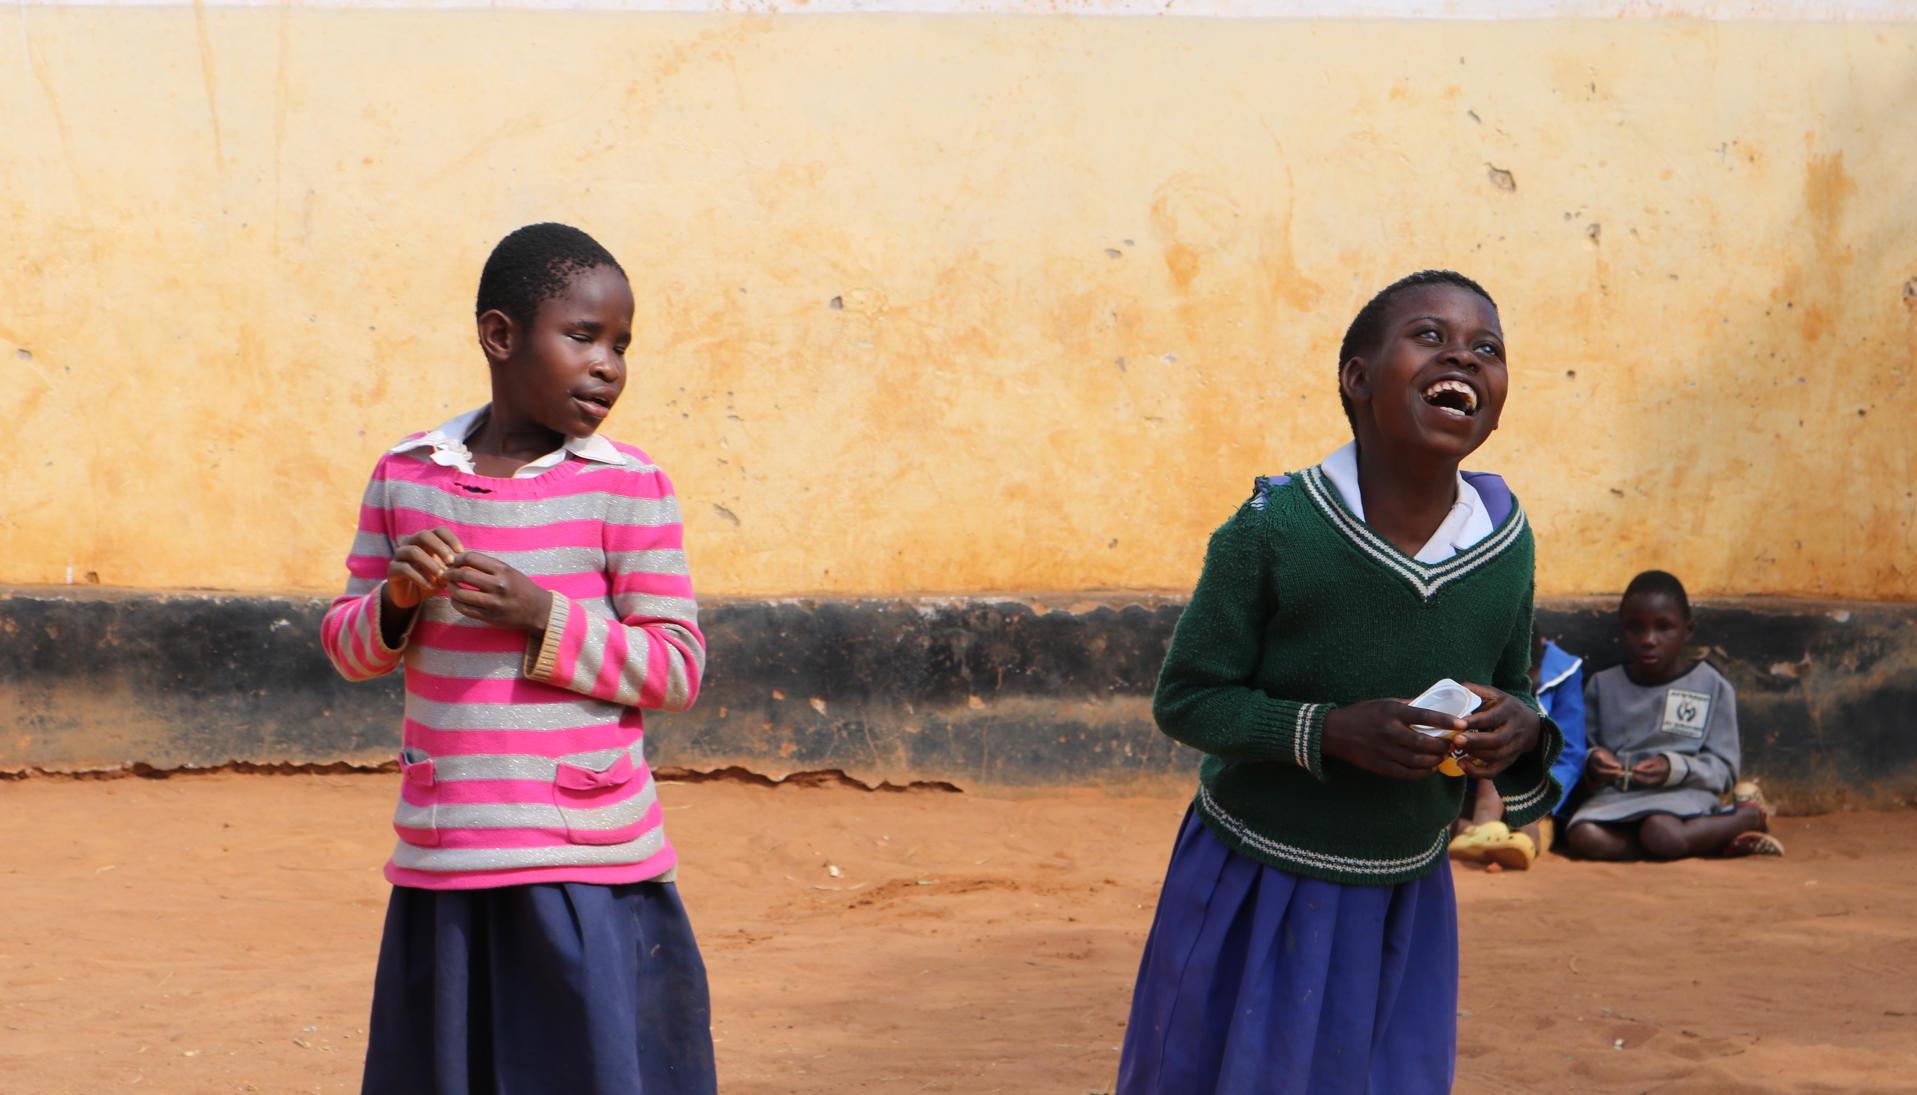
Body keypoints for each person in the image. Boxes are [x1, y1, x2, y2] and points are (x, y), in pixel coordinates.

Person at [1116, 270, 1563, 1094]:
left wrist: (1519, 728)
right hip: (1259, 878)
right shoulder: (1273, 529)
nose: (1462, 356)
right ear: (1357, 378)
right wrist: (1328, 731)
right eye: (1428, 336)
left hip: (1404, 890)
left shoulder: (1505, 542)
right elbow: (1187, 698)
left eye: (1486, 347)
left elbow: (1510, 686)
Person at [319, 223, 717, 1094]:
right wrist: (396, 600)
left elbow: (676, 668)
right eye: (583, 336)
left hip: (584, 863)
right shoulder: (406, 475)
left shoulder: (628, 484)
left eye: (621, 345)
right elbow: (349, 647)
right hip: (449, 852)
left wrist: (544, 616)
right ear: (500, 336)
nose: (607, 365)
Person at [1563, 570, 1781, 860]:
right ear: (1622, 629)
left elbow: (1724, 770)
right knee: (1583, 836)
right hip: (1617, 799)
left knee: (1661, 831)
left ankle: (1747, 818)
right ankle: (1705, 841)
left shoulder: (1711, 686)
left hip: (1682, 795)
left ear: (1688, 630)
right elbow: (1582, 752)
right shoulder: (1603, 686)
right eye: (1635, 628)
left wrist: (1673, 768)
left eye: (1663, 627)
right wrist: (1595, 762)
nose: (1648, 640)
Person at [1449, 629, 1587, 869]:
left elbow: (1571, 754)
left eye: (1529, 682)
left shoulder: (1565, 673)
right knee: (1496, 739)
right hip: (1475, 791)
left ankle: (1494, 834)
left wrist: (1536, 793)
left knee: (1511, 744)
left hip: (1537, 791)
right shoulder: (1472, 672)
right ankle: (1484, 829)